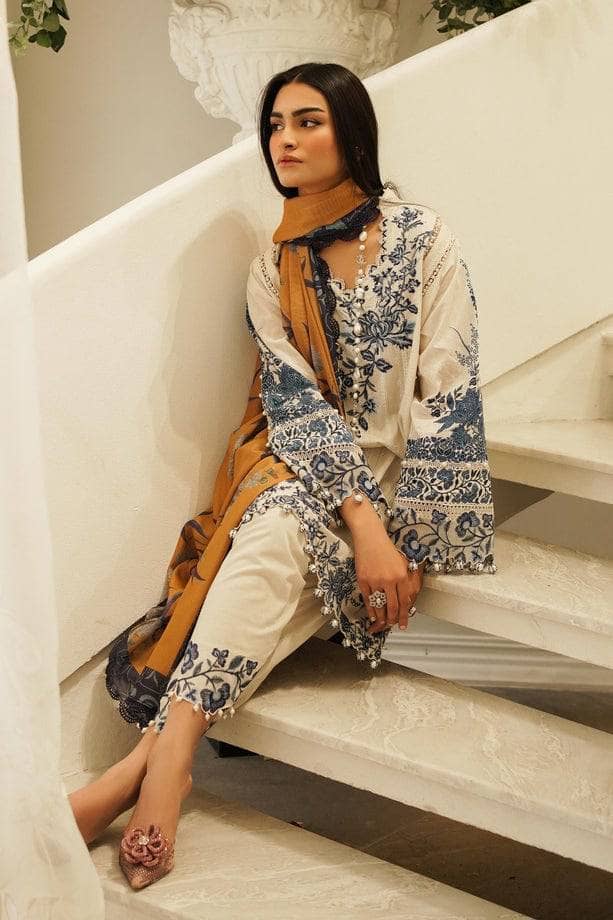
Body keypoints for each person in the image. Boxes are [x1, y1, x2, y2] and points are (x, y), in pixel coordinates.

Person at [68, 61, 496, 890]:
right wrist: (358, 523)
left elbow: (449, 388)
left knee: (275, 537)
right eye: (274, 125)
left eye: (307, 121)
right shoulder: (275, 266)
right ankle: (169, 767)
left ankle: (136, 772)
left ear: (351, 131)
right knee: (273, 526)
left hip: (405, 475)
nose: (284, 141)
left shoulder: (423, 239)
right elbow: (292, 400)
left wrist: (402, 533)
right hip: (310, 466)